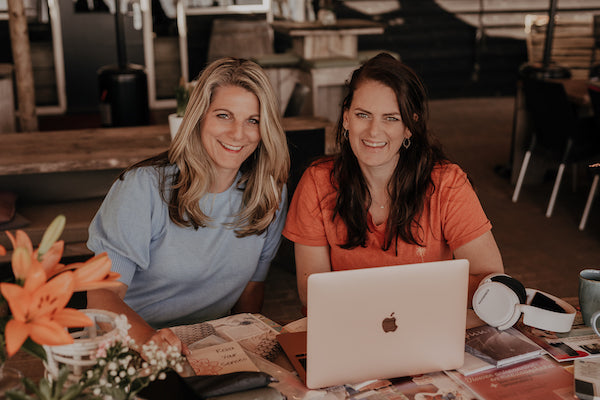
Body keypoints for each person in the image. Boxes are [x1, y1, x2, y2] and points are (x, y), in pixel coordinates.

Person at [87, 57, 290, 353]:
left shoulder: (268, 193)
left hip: (207, 346)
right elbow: (101, 296)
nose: (238, 133)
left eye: (253, 120)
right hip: (127, 345)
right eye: (224, 115)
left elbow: (251, 290)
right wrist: (148, 342)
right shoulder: (142, 188)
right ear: (199, 117)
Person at [283, 53, 504, 308]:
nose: (374, 131)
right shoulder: (317, 182)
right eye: (363, 115)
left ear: (409, 126)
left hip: (429, 329)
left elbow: (491, 283)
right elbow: (312, 294)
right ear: (346, 118)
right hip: (350, 331)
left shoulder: (447, 184)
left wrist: (386, 297)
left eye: (391, 118)